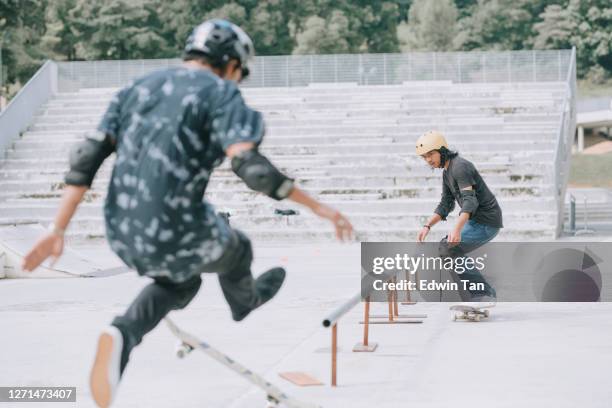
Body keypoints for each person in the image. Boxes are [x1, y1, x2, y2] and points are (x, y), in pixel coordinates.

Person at [21, 19, 353, 408]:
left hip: (120, 231)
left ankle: (122, 333)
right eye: (239, 74)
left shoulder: (137, 88)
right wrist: (322, 209)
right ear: (230, 64)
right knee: (239, 246)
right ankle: (244, 304)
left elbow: (86, 157)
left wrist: (57, 229)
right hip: (179, 229)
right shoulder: (222, 95)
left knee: (182, 283)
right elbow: (254, 170)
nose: (237, 82)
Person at [415, 130, 502, 301]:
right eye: (424, 157)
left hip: (487, 222)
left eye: (431, 154)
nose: (428, 160)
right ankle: (477, 292)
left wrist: (456, 229)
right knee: (447, 248)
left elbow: (470, 201)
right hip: (476, 220)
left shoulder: (460, 167)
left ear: (442, 150)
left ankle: (483, 293)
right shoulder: (447, 171)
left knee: (448, 248)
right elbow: (446, 204)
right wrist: (427, 226)